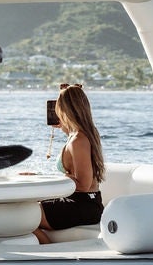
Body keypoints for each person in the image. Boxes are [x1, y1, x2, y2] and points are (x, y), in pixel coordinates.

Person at [33, 83, 105, 244]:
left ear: (64, 110)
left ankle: (49, 250)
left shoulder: (78, 140)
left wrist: (50, 181)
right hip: (87, 203)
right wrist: (65, 127)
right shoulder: (82, 135)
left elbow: (83, 185)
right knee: (27, 208)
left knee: (22, 215)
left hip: (82, 205)